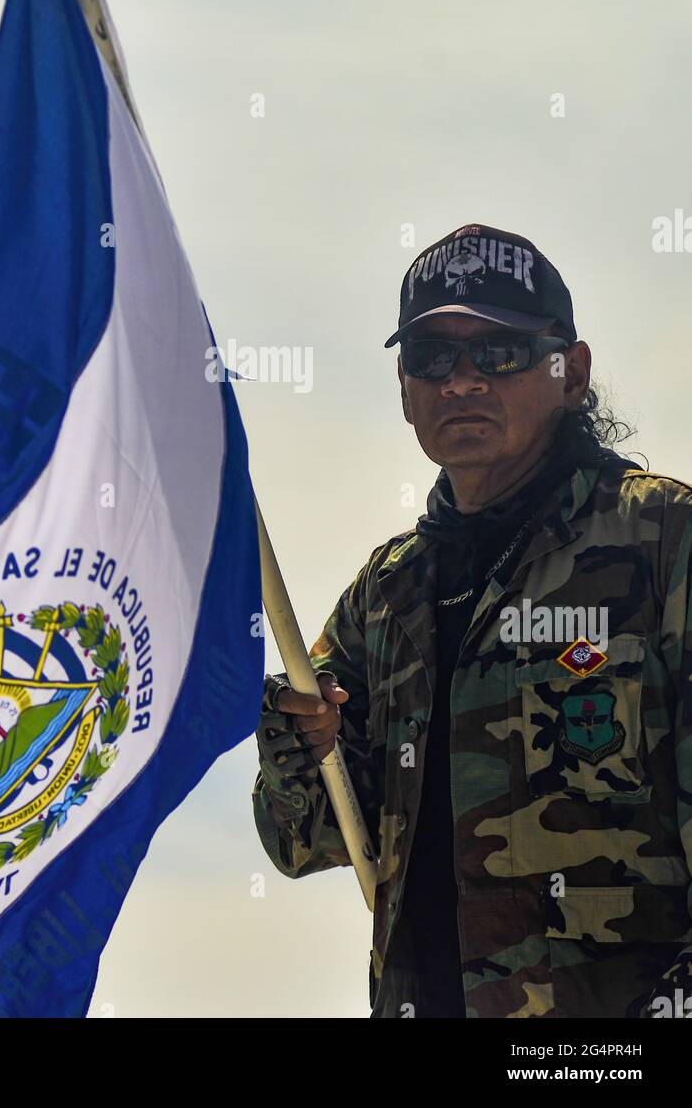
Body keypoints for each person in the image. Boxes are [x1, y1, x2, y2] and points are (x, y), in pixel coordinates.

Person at [252, 222, 692, 1019]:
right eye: (431, 358)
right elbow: (303, 840)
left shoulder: (662, 542)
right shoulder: (381, 599)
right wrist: (296, 745)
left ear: (572, 373)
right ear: (402, 387)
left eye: (498, 354)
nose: (460, 382)